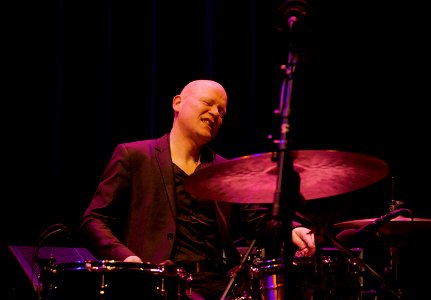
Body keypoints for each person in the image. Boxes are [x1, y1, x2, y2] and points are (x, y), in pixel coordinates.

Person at [79, 79, 315, 300]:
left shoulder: (226, 170)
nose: (216, 113)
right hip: (155, 284)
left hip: (217, 287)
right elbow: (93, 220)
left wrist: (294, 229)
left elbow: (258, 220)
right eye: (208, 103)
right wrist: (127, 259)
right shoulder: (134, 156)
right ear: (177, 103)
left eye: (222, 111)